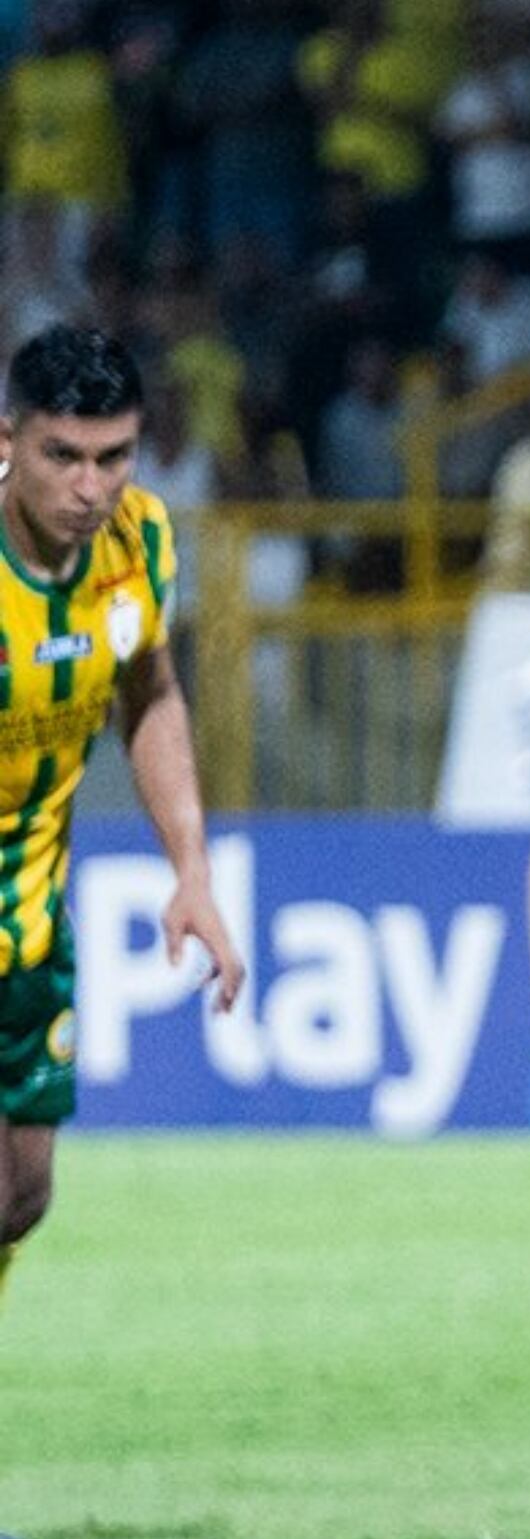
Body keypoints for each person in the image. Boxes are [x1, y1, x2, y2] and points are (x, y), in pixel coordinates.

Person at [0, 325, 249, 1324]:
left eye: (113, 457)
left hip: (29, 922)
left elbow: (150, 692)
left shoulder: (140, 541)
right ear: (9, 439)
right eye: (64, 456)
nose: (89, 487)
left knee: (22, 1193)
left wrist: (191, 868)